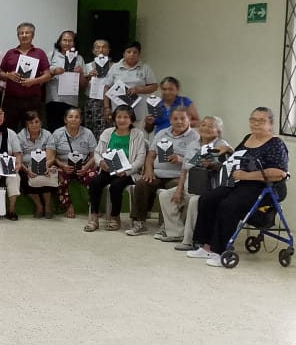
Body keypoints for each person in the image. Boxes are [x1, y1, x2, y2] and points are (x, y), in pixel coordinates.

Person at [189, 107, 289, 267]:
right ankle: (206, 246)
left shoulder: (276, 144)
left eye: (261, 121)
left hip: (264, 186)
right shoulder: (248, 138)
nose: (256, 123)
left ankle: (220, 251)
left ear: (271, 124)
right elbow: (238, 156)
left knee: (228, 205)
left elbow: (279, 173)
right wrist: (227, 150)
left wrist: (247, 175)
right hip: (241, 182)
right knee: (208, 199)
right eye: (253, 120)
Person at [125, 105, 199, 235]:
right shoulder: (161, 133)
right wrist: (149, 170)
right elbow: (151, 155)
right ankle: (140, 222)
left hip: (179, 176)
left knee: (176, 189)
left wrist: (181, 159)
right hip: (157, 174)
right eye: (175, 118)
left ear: (189, 119)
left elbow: (197, 160)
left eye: (183, 118)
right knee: (142, 183)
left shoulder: (195, 137)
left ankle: (168, 225)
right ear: (170, 120)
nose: (179, 122)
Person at [160, 115, 232, 249]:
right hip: (190, 185)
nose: (206, 128)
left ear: (218, 130)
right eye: (203, 125)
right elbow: (185, 169)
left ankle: (190, 240)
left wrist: (212, 165)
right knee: (165, 195)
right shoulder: (193, 144)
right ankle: (176, 233)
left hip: (209, 189)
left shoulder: (222, 146)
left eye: (211, 126)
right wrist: (179, 189)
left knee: (194, 201)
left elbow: (227, 169)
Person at [85, 105, 148, 233]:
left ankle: (115, 217)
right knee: (95, 183)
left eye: (126, 117)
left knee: (116, 186)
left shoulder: (138, 134)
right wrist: (101, 162)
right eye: (119, 117)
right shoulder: (107, 133)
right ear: (114, 118)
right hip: (108, 169)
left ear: (131, 119)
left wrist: (126, 171)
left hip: (128, 172)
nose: (122, 120)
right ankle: (94, 218)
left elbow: (140, 159)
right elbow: (97, 153)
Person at [0, 22, 51, 132]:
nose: (24, 35)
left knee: (32, 131)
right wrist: (8, 75)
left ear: (33, 35)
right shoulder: (10, 53)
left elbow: (47, 76)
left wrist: (33, 81)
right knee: (8, 131)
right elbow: (0, 74)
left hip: (32, 101)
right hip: (11, 101)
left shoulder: (40, 53)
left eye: (27, 33)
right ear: (18, 36)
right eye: (21, 33)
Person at [48, 107, 98, 219]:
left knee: (94, 178)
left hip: (83, 166)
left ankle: (93, 206)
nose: (73, 119)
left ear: (81, 120)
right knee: (58, 177)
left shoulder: (88, 133)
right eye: (70, 117)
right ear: (65, 120)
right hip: (64, 166)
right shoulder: (57, 133)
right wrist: (62, 165)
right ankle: (68, 206)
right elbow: (51, 156)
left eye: (77, 117)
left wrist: (86, 167)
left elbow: (95, 155)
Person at [104, 41, 157, 125]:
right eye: (128, 52)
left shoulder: (145, 68)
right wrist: (107, 107)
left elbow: (154, 86)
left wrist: (139, 89)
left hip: (139, 111)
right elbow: (107, 87)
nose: (132, 54)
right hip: (119, 112)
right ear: (124, 54)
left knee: (138, 132)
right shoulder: (115, 67)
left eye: (135, 52)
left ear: (139, 54)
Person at [18, 110, 57, 218]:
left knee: (47, 174)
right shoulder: (20, 136)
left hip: (45, 164)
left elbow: (51, 157)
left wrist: (45, 167)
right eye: (31, 122)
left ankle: (48, 206)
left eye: (37, 122)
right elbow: (18, 158)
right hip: (26, 167)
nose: (34, 125)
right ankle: (39, 206)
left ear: (41, 123)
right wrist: (27, 170)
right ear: (26, 124)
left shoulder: (47, 135)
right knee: (23, 177)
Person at [46, 30, 84, 131]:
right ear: (60, 42)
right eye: (64, 40)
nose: (67, 43)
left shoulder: (79, 58)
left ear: (74, 43)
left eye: (70, 41)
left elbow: (83, 86)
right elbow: (43, 75)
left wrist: (81, 73)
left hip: (71, 102)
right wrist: (53, 72)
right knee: (54, 130)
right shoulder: (51, 55)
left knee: (70, 130)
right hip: (54, 100)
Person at [82, 39, 112, 137]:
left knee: (108, 131)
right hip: (91, 103)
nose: (101, 50)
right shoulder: (87, 66)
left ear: (108, 50)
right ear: (93, 51)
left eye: (104, 47)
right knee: (90, 130)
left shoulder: (114, 67)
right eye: (97, 47)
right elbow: (81, 87)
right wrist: (88, 76)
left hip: (109, 102)